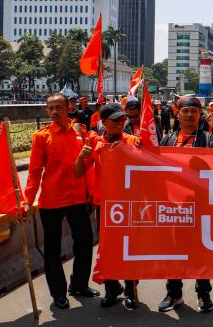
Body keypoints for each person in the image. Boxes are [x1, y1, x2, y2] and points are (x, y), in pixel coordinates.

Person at [157, 96, 213, 313]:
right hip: (175, 207)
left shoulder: (208, 138)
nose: (190, 115)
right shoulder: (168, 140)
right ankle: (174, 294)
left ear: (200, 114)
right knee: (173, 252)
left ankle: (204, 294)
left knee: (201, 252)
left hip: (201, 205)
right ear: (177, 113)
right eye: (186, 111)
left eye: (194, 111)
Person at [21, 93, 99, 310]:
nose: (54, 112)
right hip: (52, 201)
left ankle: (79, 285)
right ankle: (58, 293)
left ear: (68, 108)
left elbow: (87, 165)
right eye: (50, 108)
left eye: (58, 107)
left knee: (85, 242)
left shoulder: (79, 131)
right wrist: (27, 200)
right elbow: (34, 172)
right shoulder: (41, 137)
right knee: (52, 249)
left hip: (77, 198)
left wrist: (91, 192)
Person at [74, 103, 141, 309]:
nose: (122, 122)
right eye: (116, 120)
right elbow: (77, 173)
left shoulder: (132, 141)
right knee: (107, 248)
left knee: (129, 248)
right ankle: (112, 289)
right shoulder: (95, 144)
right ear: (104, 123)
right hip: (105, 206)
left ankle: (131, 290)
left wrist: (136, 151)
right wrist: (82, 156)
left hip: (128, 204)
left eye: (123, 119)